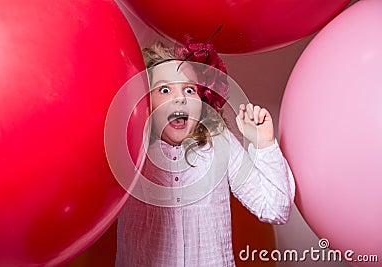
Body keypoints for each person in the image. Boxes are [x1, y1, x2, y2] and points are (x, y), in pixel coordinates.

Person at [115, 38, 295, 267]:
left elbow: (275, 209)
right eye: (164, 89)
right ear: (145, 102)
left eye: (189, 89)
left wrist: (264, 143)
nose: (180, 97)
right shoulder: (129, 150)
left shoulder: (219, 144)